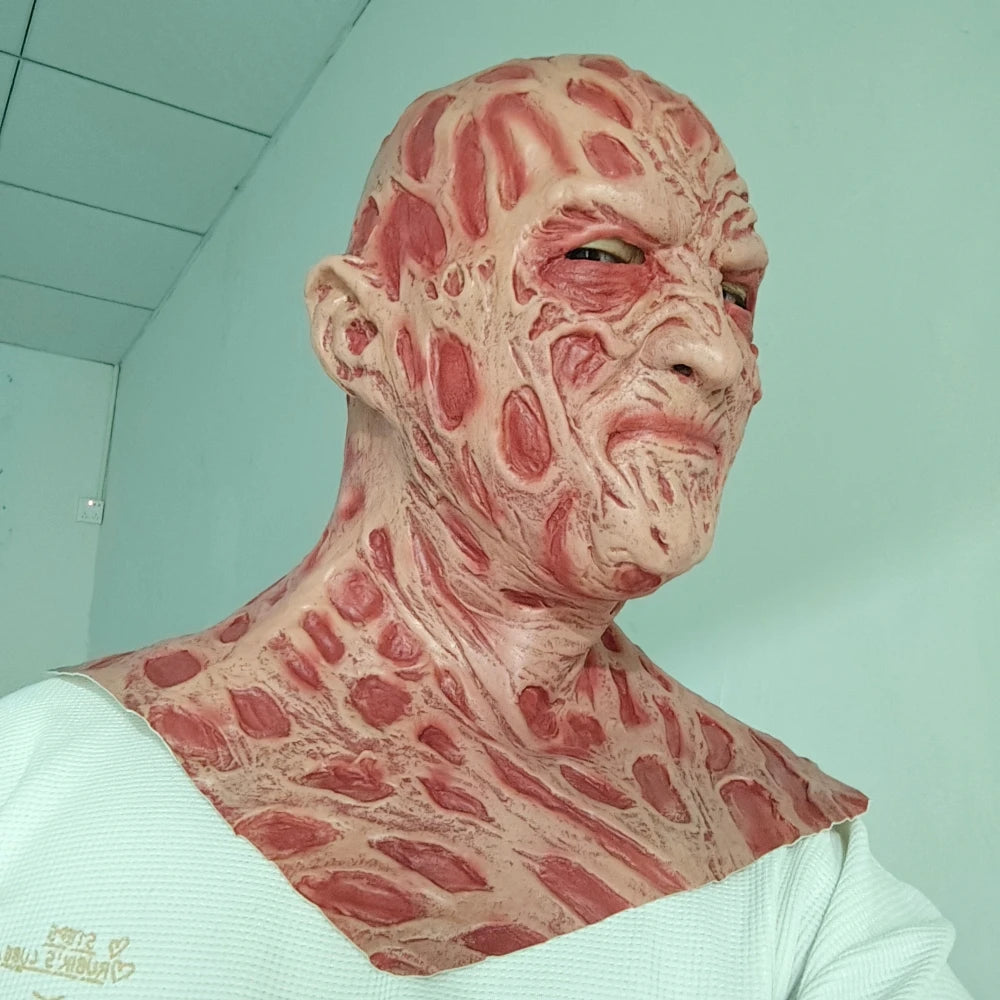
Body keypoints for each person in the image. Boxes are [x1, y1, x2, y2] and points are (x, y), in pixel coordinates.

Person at [0, 55, 971, 998]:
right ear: (361, 333)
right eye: (601, 257)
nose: (719, 353)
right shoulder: (37, 769)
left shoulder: (799, 875)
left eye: (736, 292)